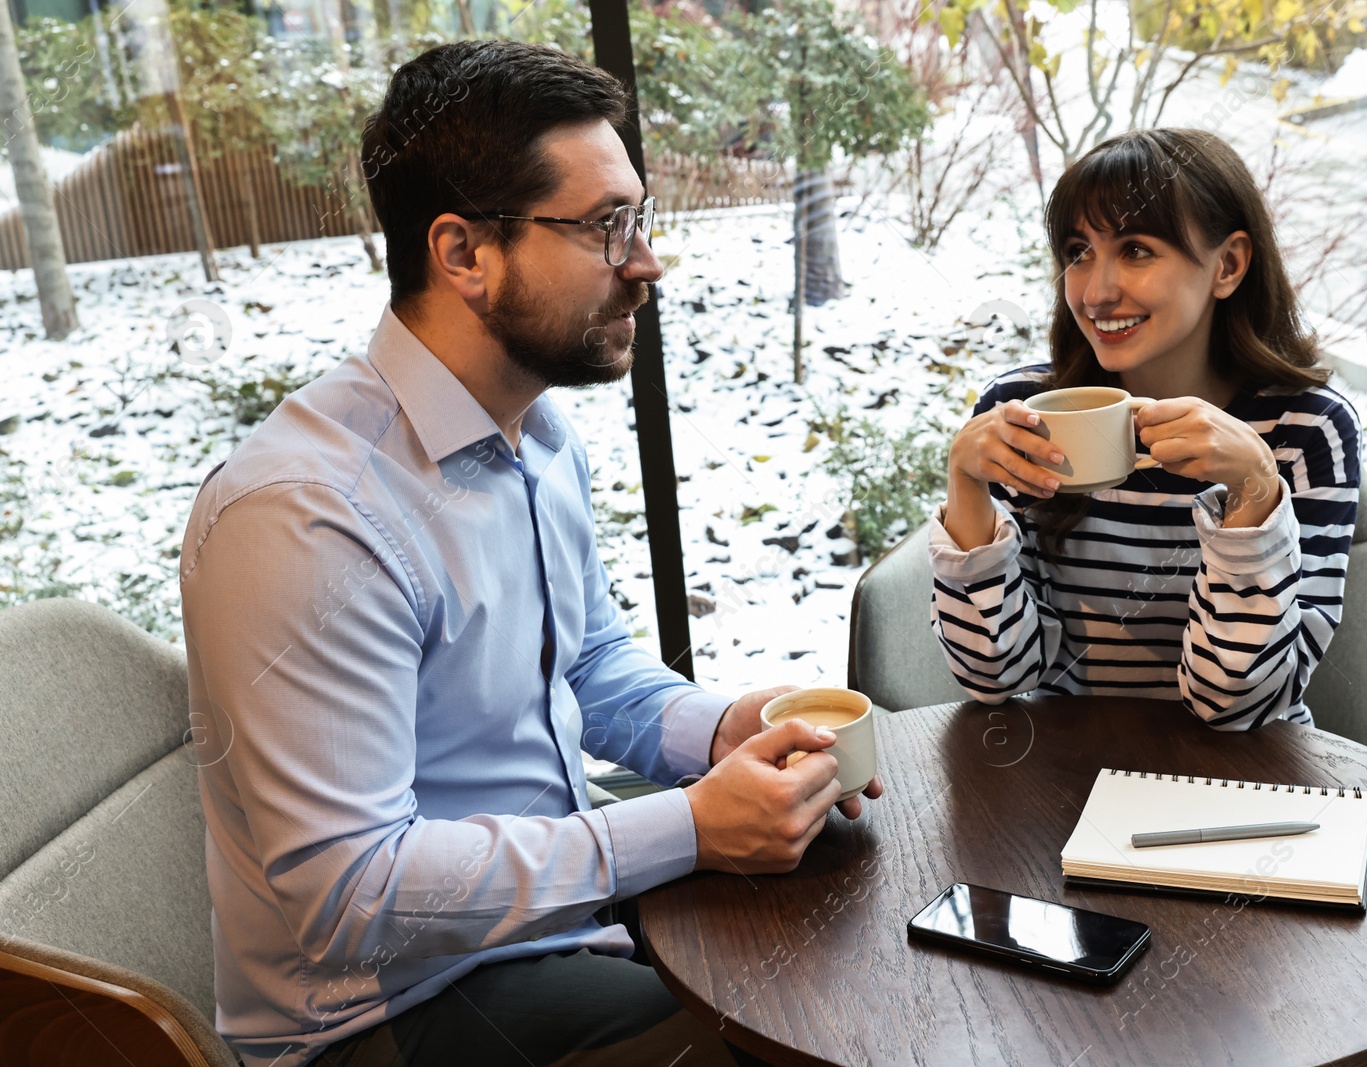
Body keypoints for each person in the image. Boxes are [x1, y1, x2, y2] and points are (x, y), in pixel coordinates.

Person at [179, 40, 880, 1067]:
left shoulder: (535, 433)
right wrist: (686, 827)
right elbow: (350, 896)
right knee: (797, 1045)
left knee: (840, 943)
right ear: (462, 253)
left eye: (638, 218)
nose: (646, 262)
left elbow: (588, 665)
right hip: (390, 1010)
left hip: (556, 922)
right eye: (606, 227)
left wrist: (724, 727)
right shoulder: (303, 517)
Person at [931, 128, 1361, 729]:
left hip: (1249, 779)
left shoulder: (1306, 427)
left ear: (1228, 266)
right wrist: (965, 485)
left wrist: (1256, 489)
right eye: (1080, 252)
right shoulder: (1023, 415)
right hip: (1061, 773)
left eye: (1135, 250)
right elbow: (994, 676)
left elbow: (1236, 704)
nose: (1097, 292)